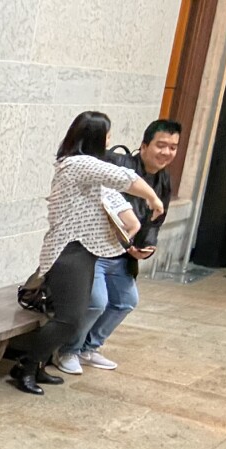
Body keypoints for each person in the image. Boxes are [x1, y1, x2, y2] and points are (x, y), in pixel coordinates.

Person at [11, 111, 164, 395]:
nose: (110, 140)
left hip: (81, 251)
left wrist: (131, 220)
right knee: (70, 318)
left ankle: (36, 365)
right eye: (106, 134)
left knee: (71, 316)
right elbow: (124, 178)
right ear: (93, 137)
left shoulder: (87, 169)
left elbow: (111, 194)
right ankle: (25, 366)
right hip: (68, 251)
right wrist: (152, 198)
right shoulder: (76, 164)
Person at [55, 119, 182, 374]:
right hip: (93, 251)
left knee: (126, 301)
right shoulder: (118, 164)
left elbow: (156, 221)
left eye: (173, 147)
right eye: (161, 145)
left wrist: (146, 246)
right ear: (144, 146)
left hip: (122, 255)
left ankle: (89, 348)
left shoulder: (164, 180)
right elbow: (114, 191)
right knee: (97, 302)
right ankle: (67, 350)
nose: (166, 152)